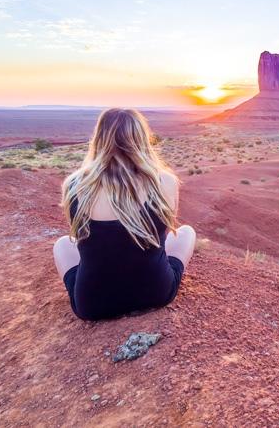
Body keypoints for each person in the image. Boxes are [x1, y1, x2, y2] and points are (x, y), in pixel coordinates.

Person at [53, 108, 196, 321]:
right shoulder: (165, 182)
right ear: (142, 138)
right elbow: (164, 233)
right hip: (155, 293)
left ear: (99, 138)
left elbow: (84, 240)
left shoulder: (73, 185)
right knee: (186, 232)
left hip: (92, 305)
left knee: (63, 243)